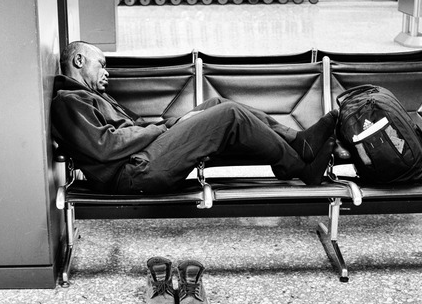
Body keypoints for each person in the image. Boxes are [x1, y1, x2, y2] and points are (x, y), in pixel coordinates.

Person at [51, 41, 339, 194]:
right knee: (229, 115)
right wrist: (163, 128)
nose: (107, 72)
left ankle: (297, 141)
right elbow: (106, 146)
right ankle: (299, 167)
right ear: (79, 61)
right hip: (131, 173)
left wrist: (168, 126)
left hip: (143, 158)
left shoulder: (90, 98)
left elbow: (127, 131)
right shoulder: (70, 101)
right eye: (101, 65)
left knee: (215, 103)